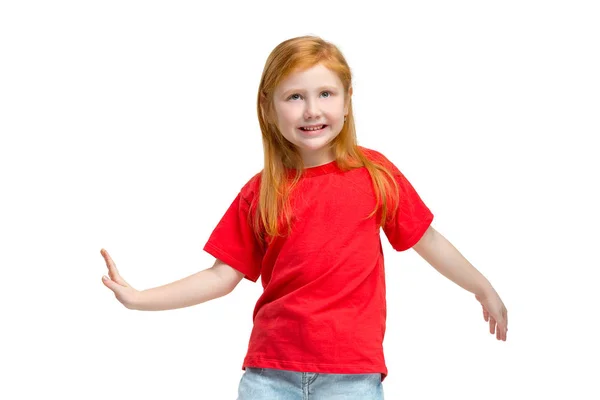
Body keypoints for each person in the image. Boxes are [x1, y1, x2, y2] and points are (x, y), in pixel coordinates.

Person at [101, 35, 508, 400]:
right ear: (268, 107)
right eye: (294, 97)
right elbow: (219, 276)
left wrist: (482, 287)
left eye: (326, 94)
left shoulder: (376, 175)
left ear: (348, 101)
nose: (312, 110)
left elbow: (428, 240)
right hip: (269, 376)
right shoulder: (261, 191)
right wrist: (140, 299)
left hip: (351, 377)